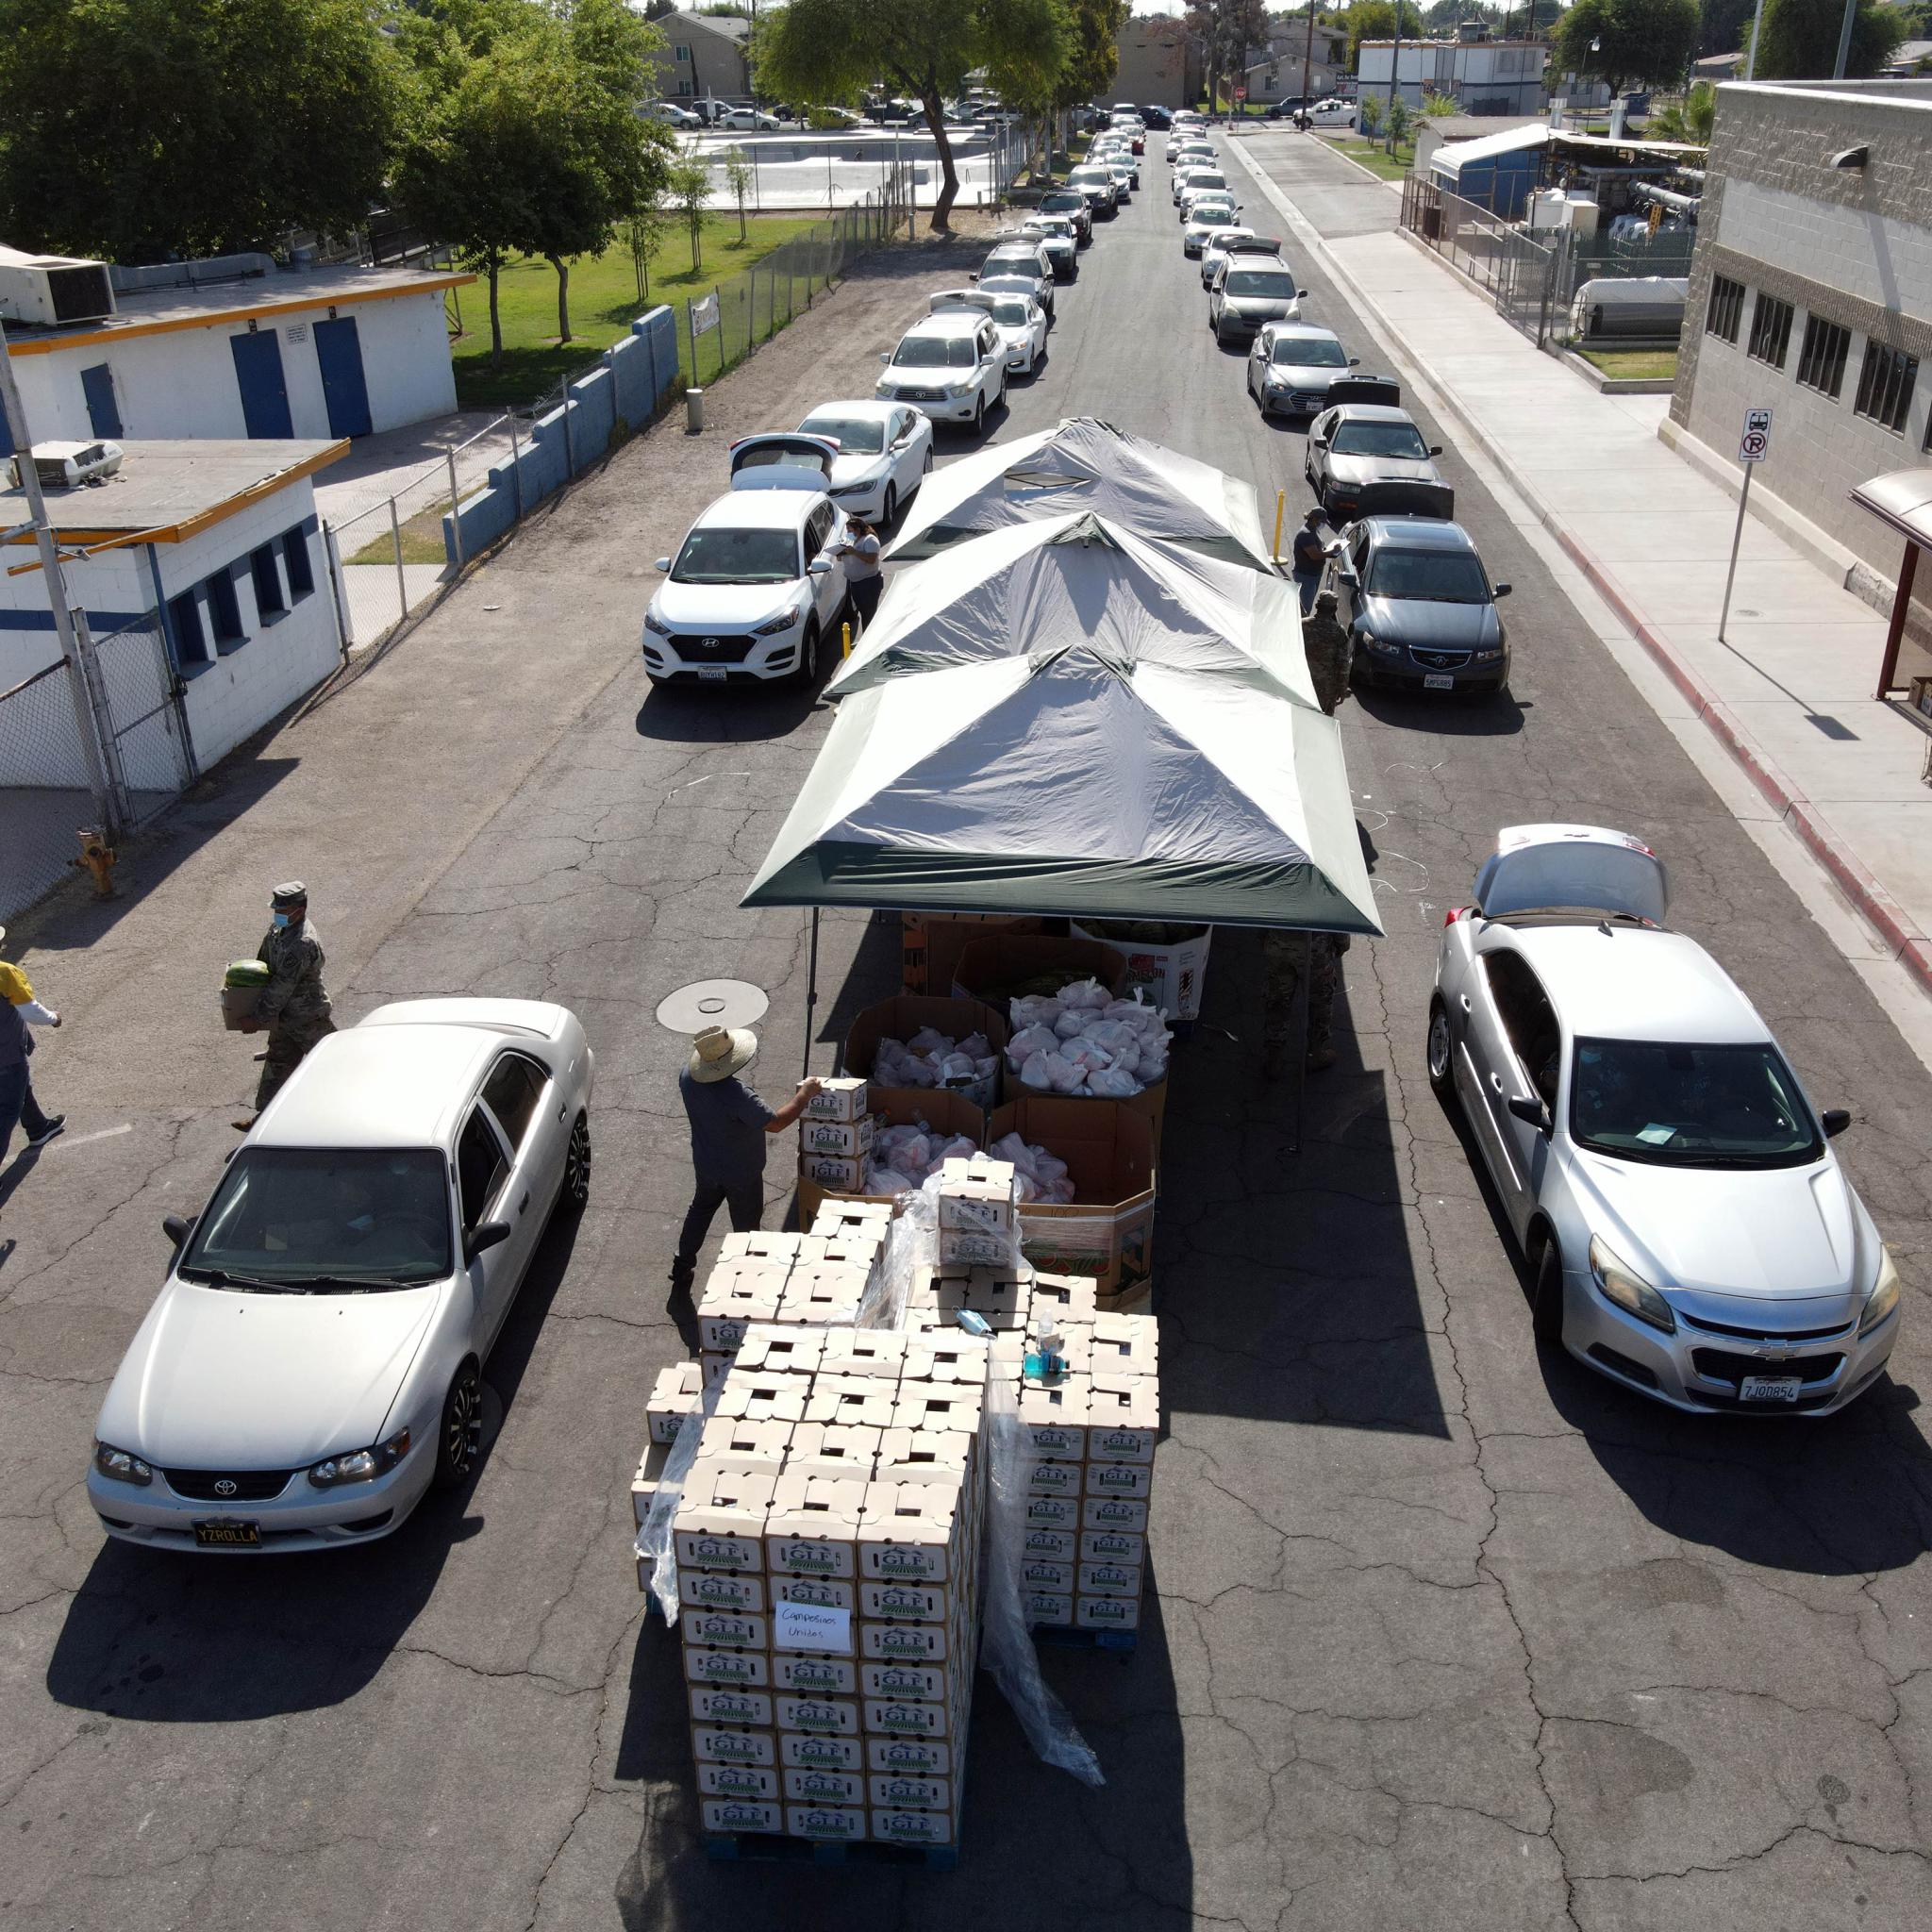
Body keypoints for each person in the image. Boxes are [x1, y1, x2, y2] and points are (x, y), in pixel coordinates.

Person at [1262, 587, 1357, 1076]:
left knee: (1277, 1000)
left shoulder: (1300, 631)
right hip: (1314, 943)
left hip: (1280, 943)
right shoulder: (1324, 856)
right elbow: (1343, 674)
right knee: (1321, 1002)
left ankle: (1273, 1053)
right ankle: (1317, 1047)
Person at [671, 1025, 822, 1294]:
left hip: (706, 1163)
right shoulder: (736, 1095)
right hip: (741, 1172)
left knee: (700, 1210)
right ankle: (745, 1280)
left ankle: (681, 1265)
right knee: (746, 1226)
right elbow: (775, 1123)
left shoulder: (687, 1078)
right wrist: (804, 1095)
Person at [234, 881, 333, 1130]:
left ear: (298, 910)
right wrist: (247, 992)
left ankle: (351, 1109)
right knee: (278, 1064)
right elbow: (263, 964)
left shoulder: (302, 943)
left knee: (334, 1065)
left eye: (282, 910)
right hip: (284, 1017)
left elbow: (282, 986)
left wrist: (257, 1018)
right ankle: (264, 1120)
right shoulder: (280, 928)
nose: (276, 914)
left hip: (307, 1018)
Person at [0, 927, 65, 1164]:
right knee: (7, 1109)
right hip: (6, 1055)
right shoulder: (5, 973)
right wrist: (54, 1018)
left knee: (19, 1088)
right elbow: (31, 1011)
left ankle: (38, 1128)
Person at [838, 516, 885, 634]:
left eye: (850, 530)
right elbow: (840, 558)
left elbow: (871, 559)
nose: (848, 533)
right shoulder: (850, 541)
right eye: (847, 531)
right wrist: (839, 552)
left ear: (858, 529)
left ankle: (868, 641)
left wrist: (854, 552)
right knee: (863, 611)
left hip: (869, 583)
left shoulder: (869, 540)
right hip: (855, 583)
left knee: (868, 614)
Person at [1291, 508, 1327, 614]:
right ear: (1315, 519)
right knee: (1304, 609)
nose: (1323, 524)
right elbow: (1314, 555)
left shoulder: (1314, 530)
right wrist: (1332, 552)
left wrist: (1325, 550)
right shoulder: (1305, 534)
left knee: (1307, 606)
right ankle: (1301, 628)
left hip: (1314, 575)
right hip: (1305, 576)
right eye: (1322, 522)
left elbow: (1318, 549)